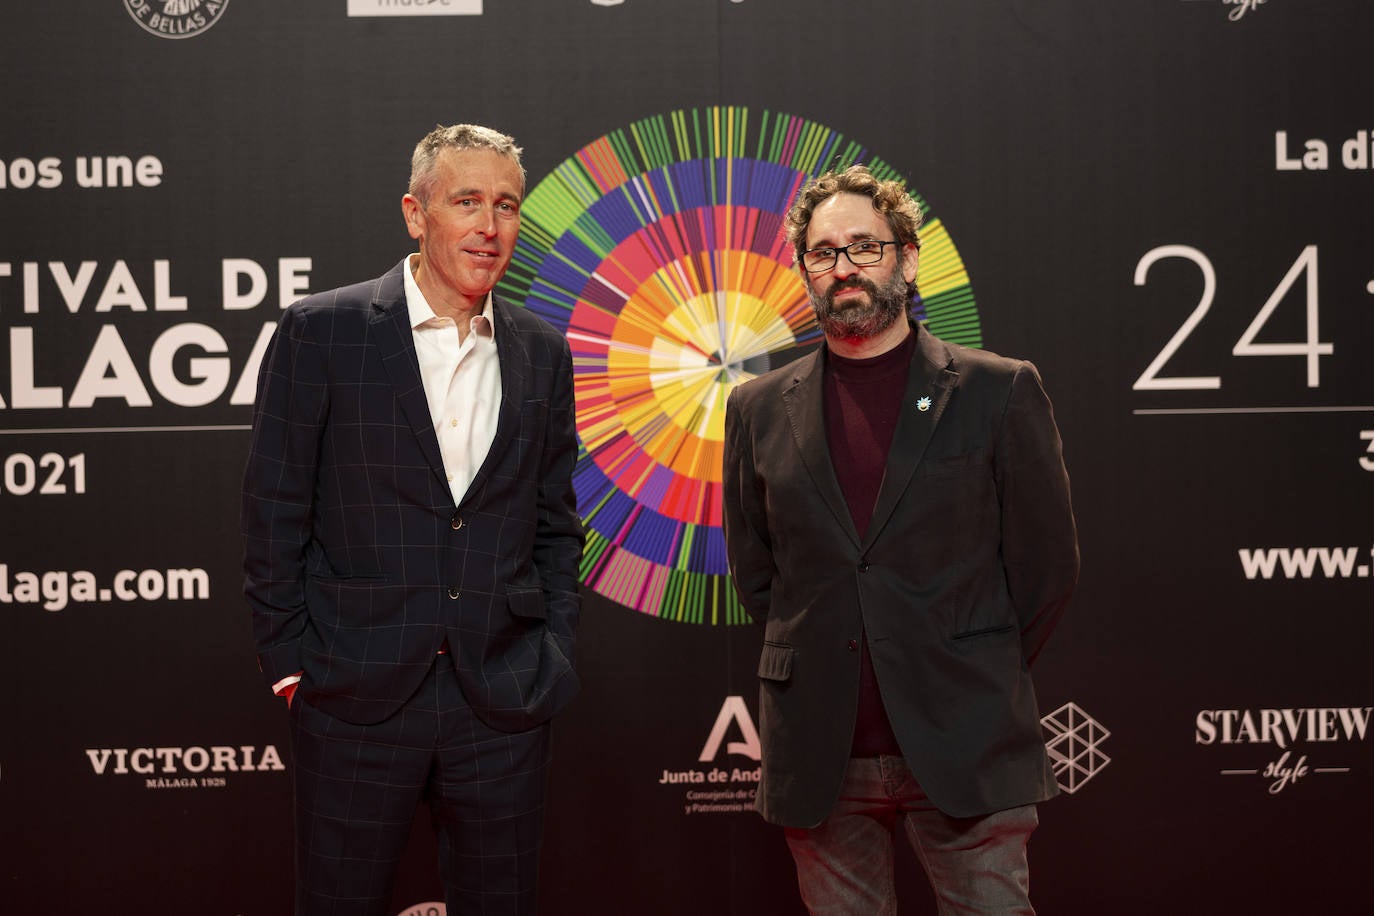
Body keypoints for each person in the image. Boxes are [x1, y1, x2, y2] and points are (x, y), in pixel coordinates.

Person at [242, 123, 583, 916]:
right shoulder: (322, 332)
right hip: (353, 692)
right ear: (415, 213)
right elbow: (273, 510)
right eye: (467, 201)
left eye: (506, 205)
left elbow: (555, 523)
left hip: (501, 695)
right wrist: (292, 665)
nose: (489, 227)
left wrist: (552, 652)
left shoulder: (541, 352)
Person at [722, 164, 1079, 915]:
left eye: (864, 247)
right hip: (821, 754)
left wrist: (966, 663)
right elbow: (761, 574)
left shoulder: (997, 390)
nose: (843, 268)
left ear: (907, 258)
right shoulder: (755, 409)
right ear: (804, 271)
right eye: (823, 253)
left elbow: (1045, 571)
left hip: (967, 742)